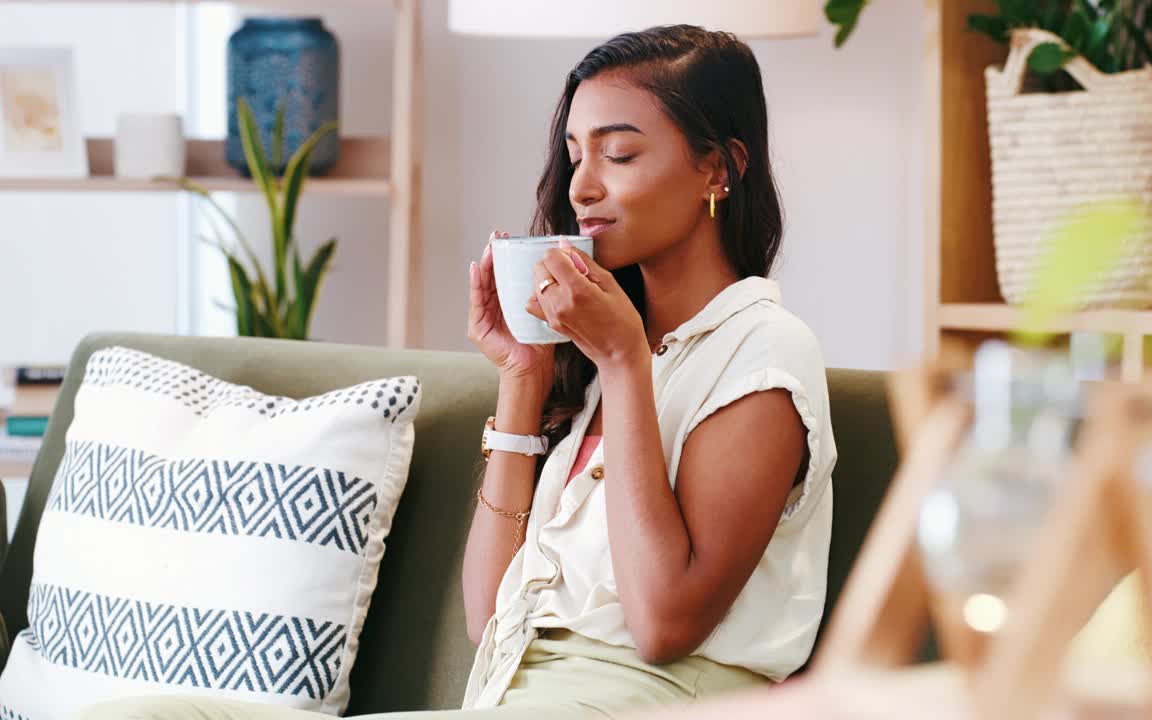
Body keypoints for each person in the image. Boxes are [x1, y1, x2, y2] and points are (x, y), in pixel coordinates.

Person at [77, 24, 836, 720]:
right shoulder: (613, 356)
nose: (581, 187)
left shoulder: (763, 353)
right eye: (575, 154)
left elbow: (664, 623)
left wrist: (622, 360)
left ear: (718, 169)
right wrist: (523, 378)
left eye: (620, 153)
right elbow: (488, 618)